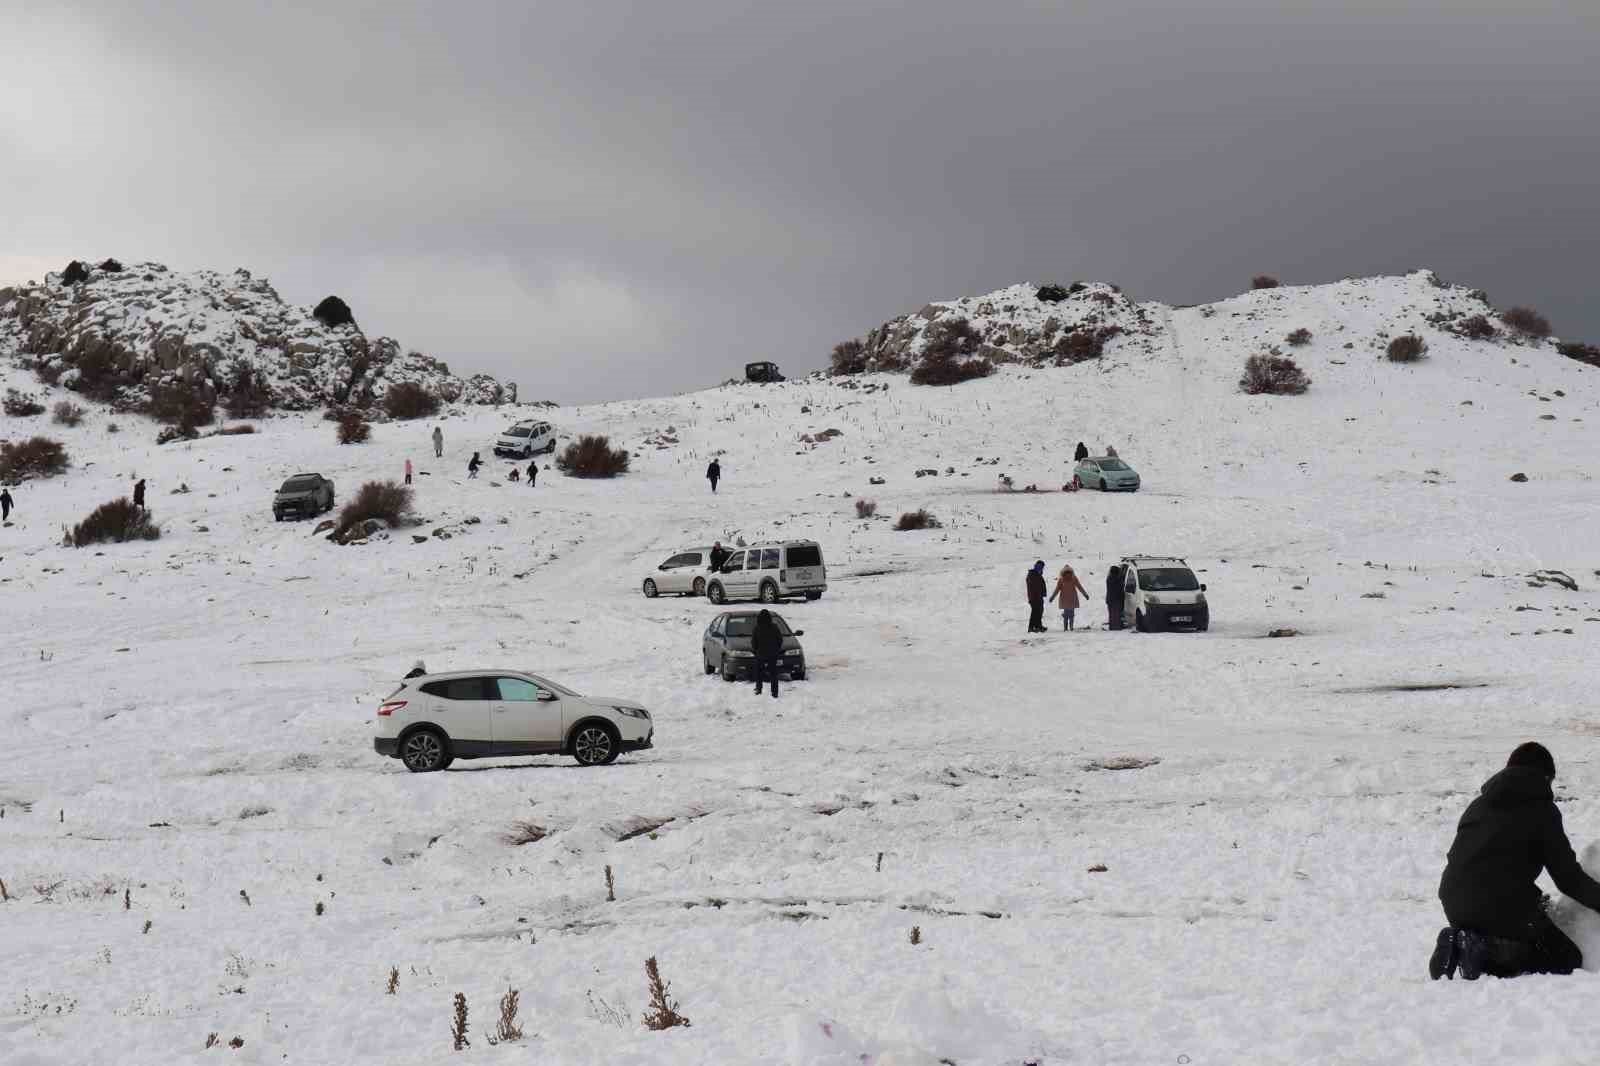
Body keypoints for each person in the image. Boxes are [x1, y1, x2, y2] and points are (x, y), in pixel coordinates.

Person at [1430, 742, 1600, 980]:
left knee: (1508, 921)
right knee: (1565, 958)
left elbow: (1485, 862)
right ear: (1545, 776)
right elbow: (1568, 879)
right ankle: (1483, 951)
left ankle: (1463, 941)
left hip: (1453, 901)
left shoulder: (1477, 806)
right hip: (1498, 906)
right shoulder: (1542, 811)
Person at [752, 609, 784, 698]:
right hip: (772, 654)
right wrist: (777, 650)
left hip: (760, 654)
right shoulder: (774, 627)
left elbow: (753, 642)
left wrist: (755, 651)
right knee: (773, 674)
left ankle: (758, 689)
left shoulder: (757, 628)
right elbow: (780, 640)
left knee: (759, 673)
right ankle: (775, 692)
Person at [1049, 564, 1089, 631]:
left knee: (1066, 614)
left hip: (1064, 599)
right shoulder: (1073, 578)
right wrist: (1085, 594)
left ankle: (1065, 628)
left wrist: (1052, 597)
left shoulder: (1061, 579)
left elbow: (1057, 590)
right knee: (1071, 614)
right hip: (1072, 598)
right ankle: (1071, 627)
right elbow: (1080, 587)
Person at [1026, 560, 1047, 633]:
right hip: (1034, 597)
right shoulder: (1032, 574)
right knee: (1035, 612)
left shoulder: (1036, 574)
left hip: (1038, 596)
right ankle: (1031, 627)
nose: (1042, 569)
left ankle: (1038, 626)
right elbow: (1034, 586)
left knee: (1039, 611)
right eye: (1041, 567)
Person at [1105, 564, 1124, 630]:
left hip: (1110, 599)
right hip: (1116, 599)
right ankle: (1116, 626)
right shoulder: (1116, 580)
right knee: (1116, 614)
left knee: (1112, 614)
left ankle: (1112, 626)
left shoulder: (1109, 578)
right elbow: (1119, 589)